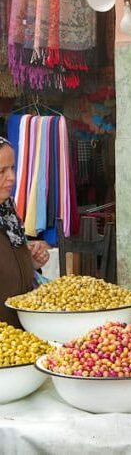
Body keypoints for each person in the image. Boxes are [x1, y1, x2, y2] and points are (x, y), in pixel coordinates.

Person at [0, 137, 50, 327]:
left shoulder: (8, 210)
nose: (11, 177)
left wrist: (31, 264)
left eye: (12, 168)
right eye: (1, 171)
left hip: (21, 328)